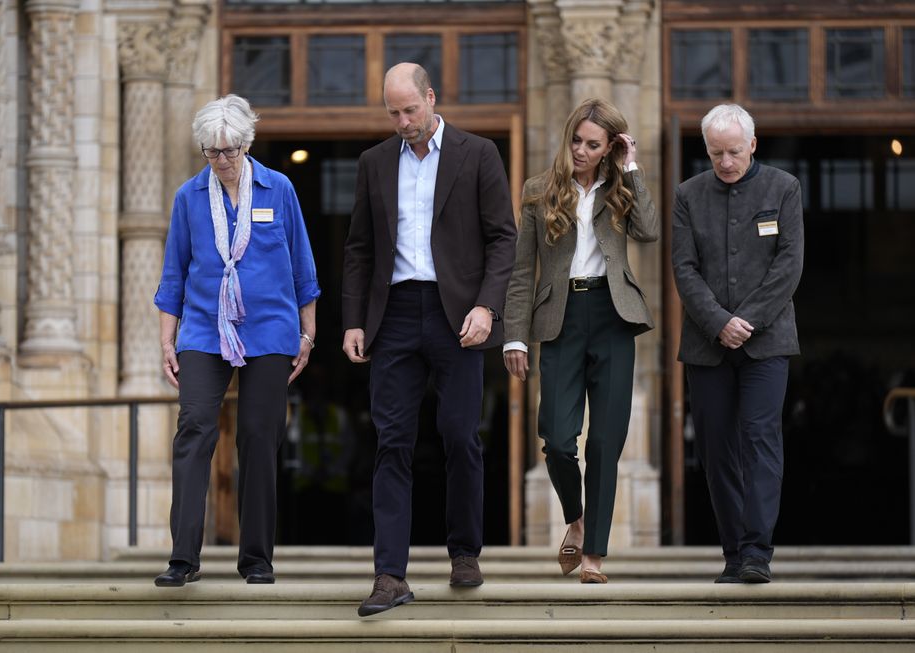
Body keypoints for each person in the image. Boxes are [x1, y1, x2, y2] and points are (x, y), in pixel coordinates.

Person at [342, 63, 516, 616]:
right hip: (392, 314)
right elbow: (359, 248)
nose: (402, 122)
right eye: (393, 113)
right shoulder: (373, 163)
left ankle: (464, 553)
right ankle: (390, 574)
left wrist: (488, 307)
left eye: (410, 110)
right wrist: (354, 320)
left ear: (431, 98)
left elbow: (502, 239)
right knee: (391, 441)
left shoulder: (478, 153)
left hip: (457, 315)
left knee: (460, 435)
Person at [153, 94, 320, 587]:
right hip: (204, 328)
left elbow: (302, 267)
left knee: (259, 436)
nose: (222, 161)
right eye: (212, 152)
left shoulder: (279, 188)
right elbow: (173, 275)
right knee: (195, 429)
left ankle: (256, 559)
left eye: (230, 151)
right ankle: (183, 558)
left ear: (248, 144)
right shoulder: (189, 197)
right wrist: (168, 340)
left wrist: (307, 334)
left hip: (270, 329)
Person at [503, 99, 658, 584]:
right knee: (556, 437)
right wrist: (515, 337)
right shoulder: (538, 191)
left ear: (610, 146)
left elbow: (649, 231)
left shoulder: (621, 189)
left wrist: (631, 168)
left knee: (606, 442)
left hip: (613, 317)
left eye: (594, 145)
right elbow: (522, 270)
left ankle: (593, 556)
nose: (581, 151)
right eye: (577, 140)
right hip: (560, 318)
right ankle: (577, 518)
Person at [671, 103, 804, 584]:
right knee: (715, 447)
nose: (724, 162)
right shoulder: (688, 195)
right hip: (708, 347)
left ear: (752, 144)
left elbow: (788, 265)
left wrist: (744, 320)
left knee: (760, 441)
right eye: (714, 153)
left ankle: (757, 552)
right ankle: (732, 551)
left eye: (732, 152)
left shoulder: (783, 189)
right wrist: (718, 322)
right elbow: (684, 269)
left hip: (767, 344)